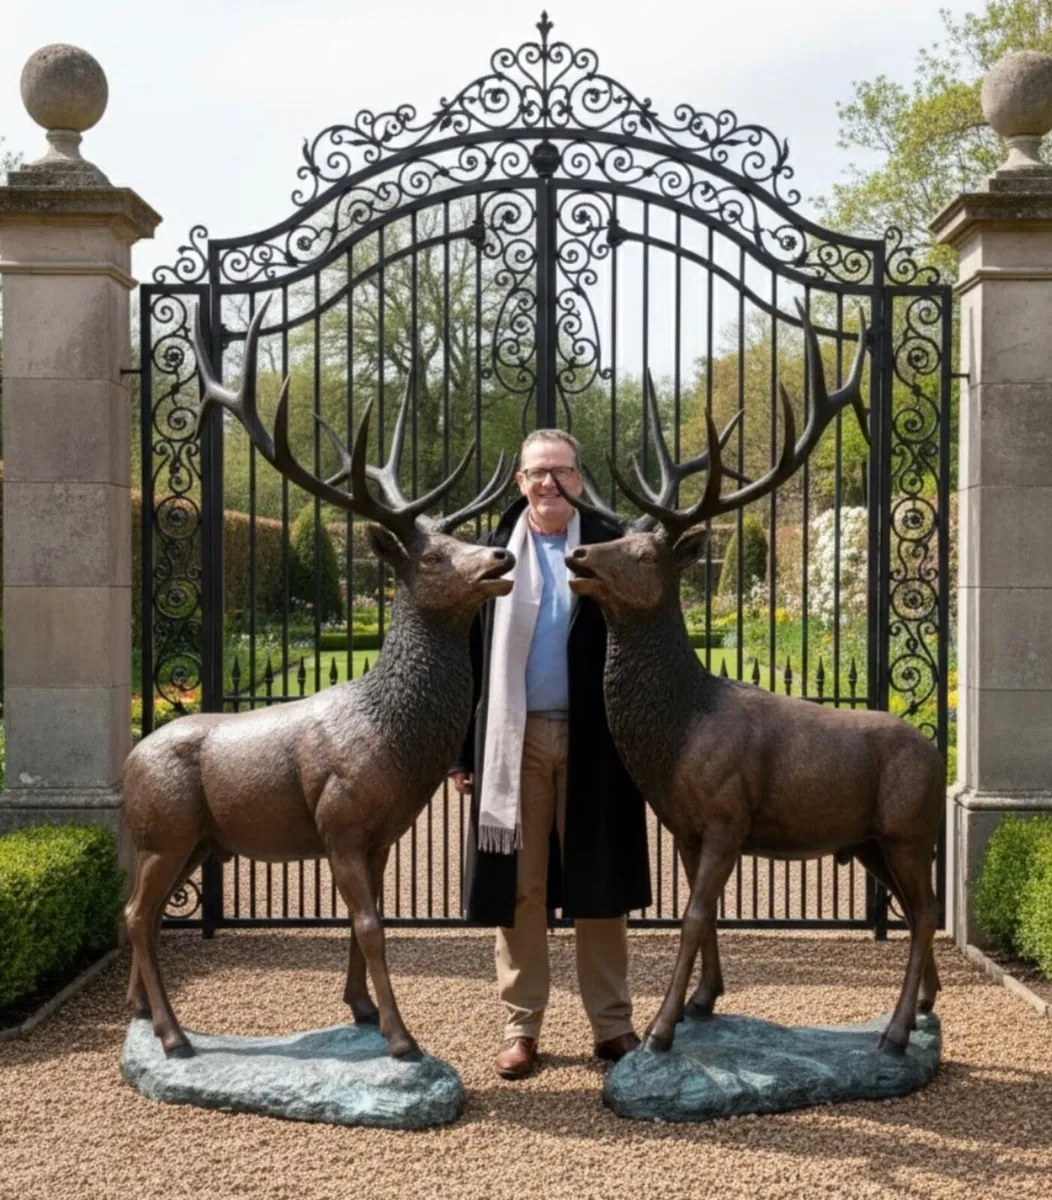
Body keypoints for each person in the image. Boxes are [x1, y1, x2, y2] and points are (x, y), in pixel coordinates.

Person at [449, 428, 651, 1081]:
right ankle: (520, 1026)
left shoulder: (613, 551)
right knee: (520, 886)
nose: (548, 483)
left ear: (579, 479)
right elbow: (466, 657)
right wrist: (462, 751)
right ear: (520, 482)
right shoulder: (486, 556)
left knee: (600, 887)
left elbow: (645, 644)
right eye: (537, 472)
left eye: (560, 472)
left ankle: (613, 1026)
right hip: (514, 740)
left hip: (597, 738)